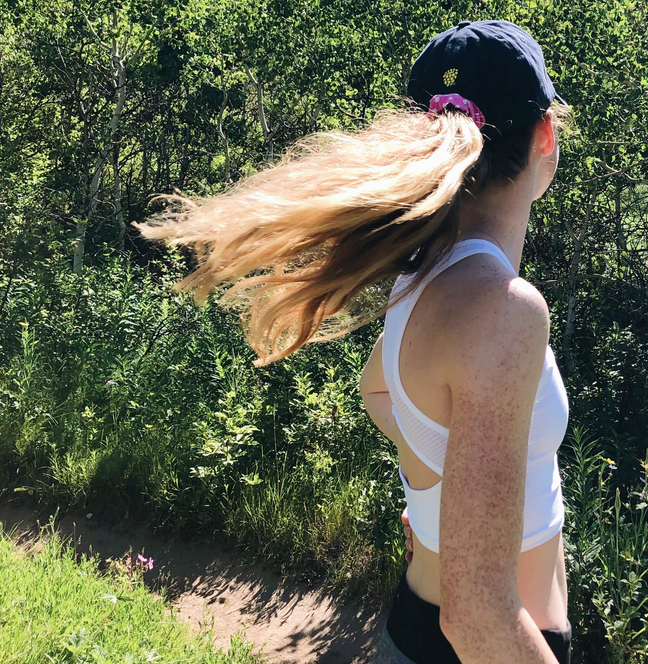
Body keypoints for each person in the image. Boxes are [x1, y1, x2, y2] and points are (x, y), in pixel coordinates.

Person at [137, 19, 571, 664]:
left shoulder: (419, 278)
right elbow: (478, 615)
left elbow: (379, 391)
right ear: (546, 137)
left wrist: (436, 504)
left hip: (413, 629)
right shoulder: (503, 309)